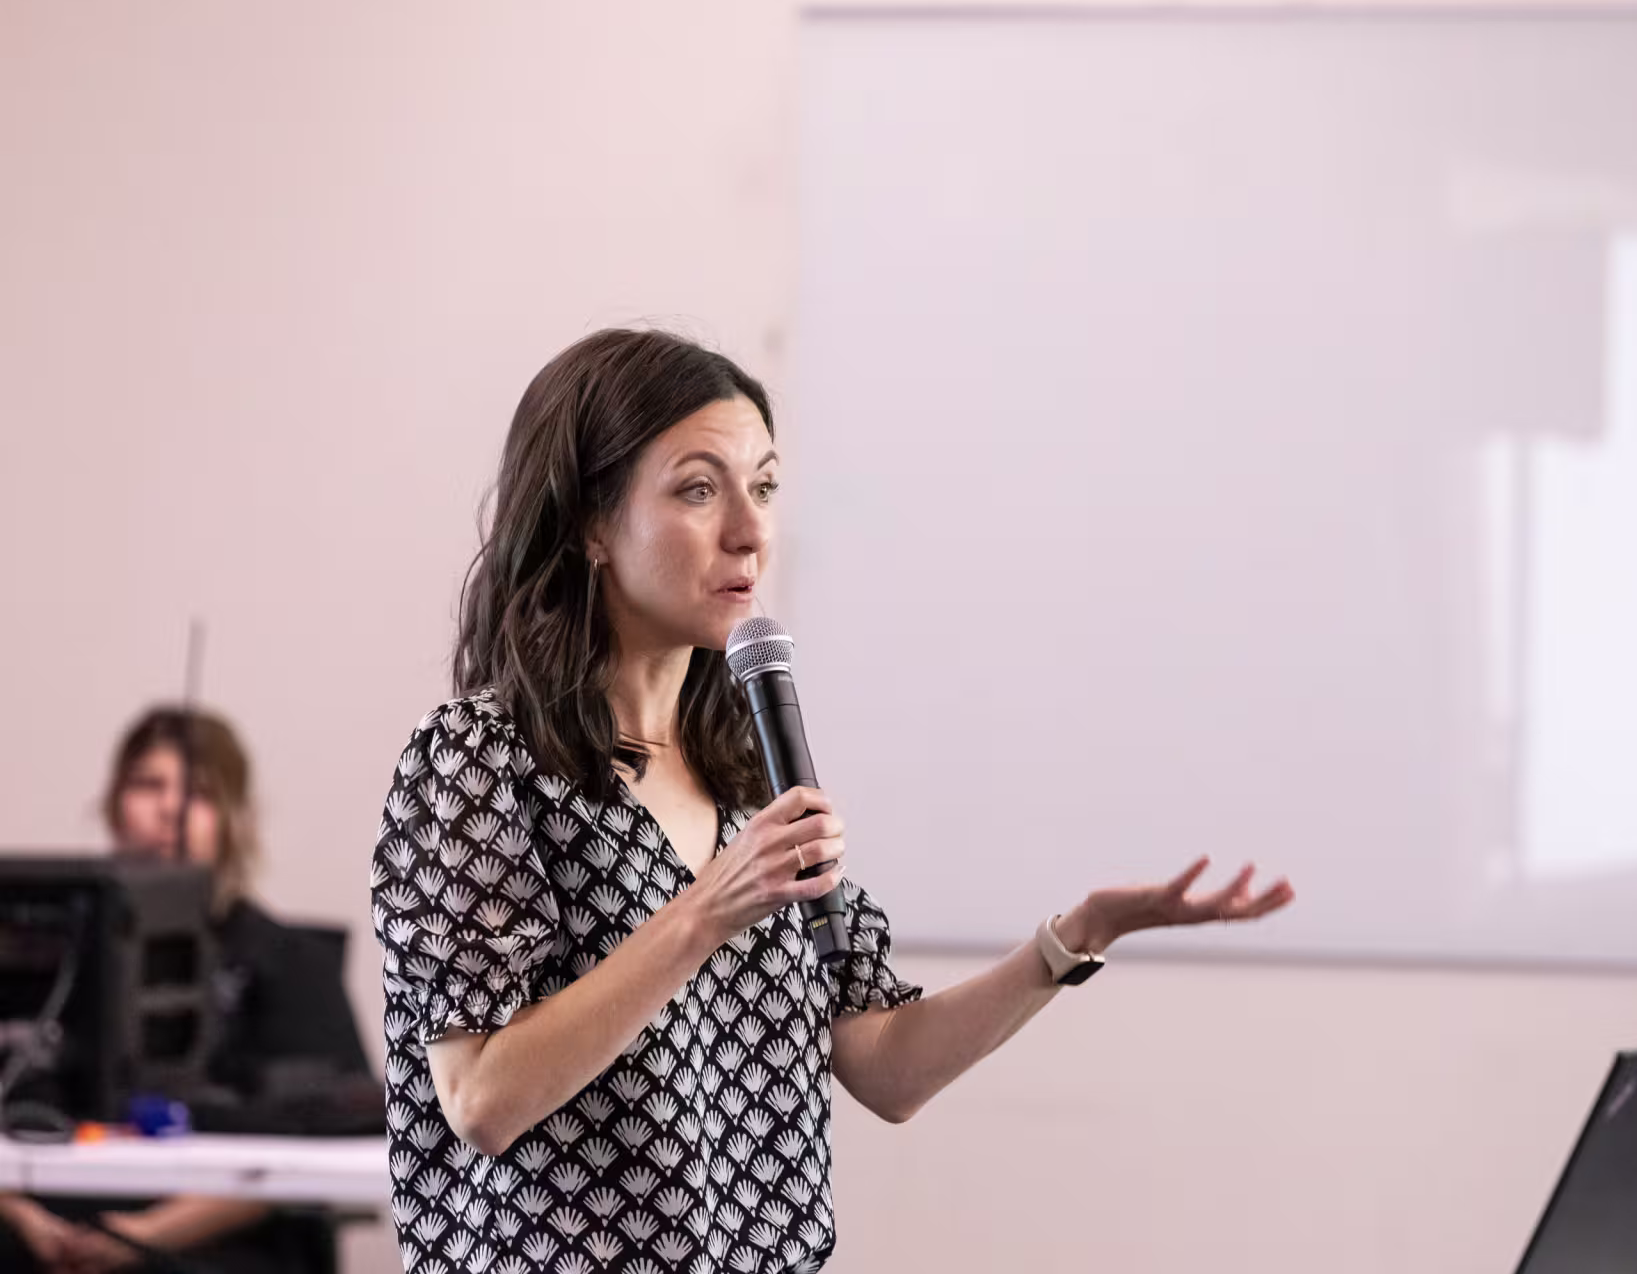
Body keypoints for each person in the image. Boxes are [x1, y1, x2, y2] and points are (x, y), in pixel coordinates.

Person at [371, 328, 1295, 1273]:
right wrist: (708, 911)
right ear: (591, 526)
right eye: (699, 489)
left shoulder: (747, 772)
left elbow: (886, 1064)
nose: (750, 530)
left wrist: (1077, 938)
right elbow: (483, 1100)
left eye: (763, 487)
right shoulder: (477, 762)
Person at [0, 708, 370, 1274]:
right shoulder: (42, 952)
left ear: (233, 821)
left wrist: (141, 1237)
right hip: (39, 1232)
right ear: (113, 804)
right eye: (149, 784)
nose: (169, 809)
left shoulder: (289, 961)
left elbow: (327, 1133)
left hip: (217, 1247)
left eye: (197, 793)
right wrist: (22, 1216)